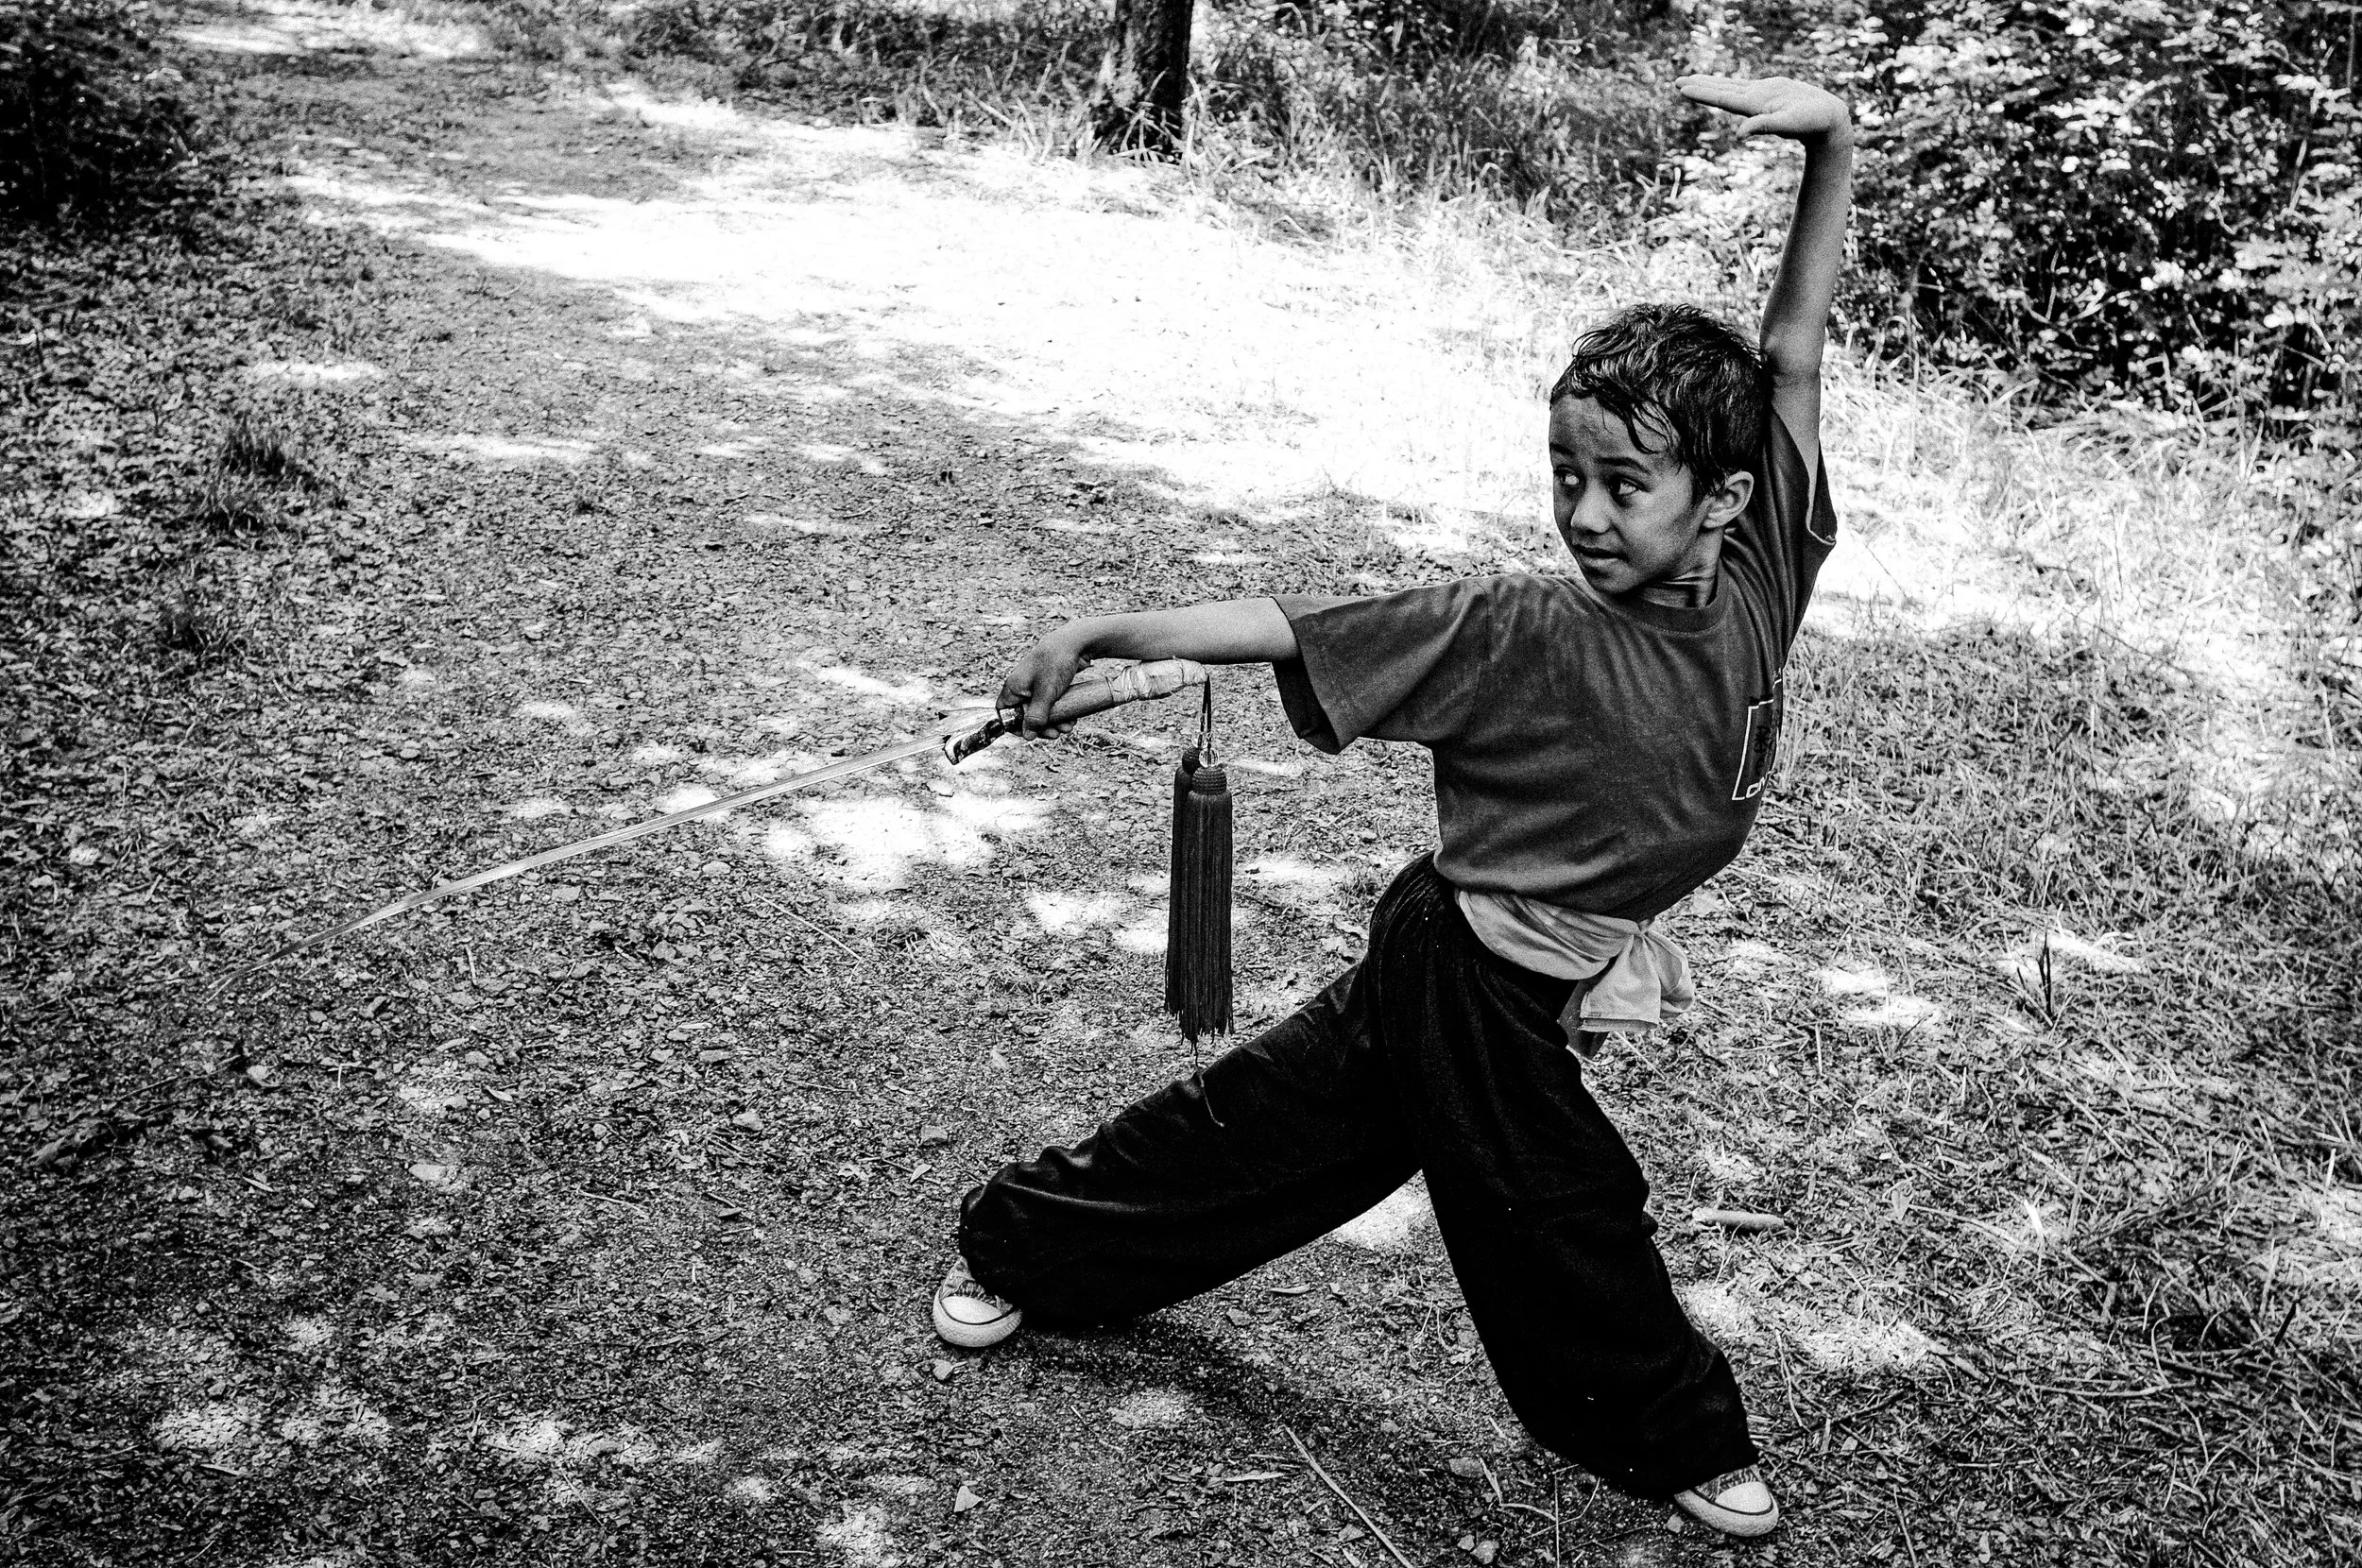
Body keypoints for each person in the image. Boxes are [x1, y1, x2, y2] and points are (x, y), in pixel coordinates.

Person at [929, 74, 1854, 1540]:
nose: (1586, 514)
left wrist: (1829, 146)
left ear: (1728, 498)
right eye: (1567, 478)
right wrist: (1113, 635)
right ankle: (1680, 1434)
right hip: (1474, 968)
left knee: (1269, 1137)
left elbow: (1791, 358)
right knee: (1558, 1206)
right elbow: (1298, 626)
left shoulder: (1761, 580)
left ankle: (1022, 1244)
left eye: (1626, 484)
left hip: (1534, 964)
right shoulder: (1522, 629)